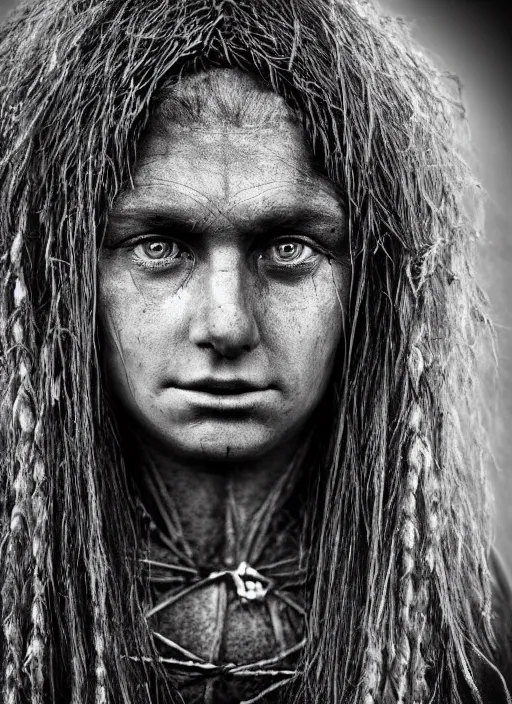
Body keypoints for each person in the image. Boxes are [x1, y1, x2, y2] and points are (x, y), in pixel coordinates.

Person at [0, 0, 510, 703]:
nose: (227, 323)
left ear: (376, 283)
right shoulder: (15, 587)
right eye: (160, 246)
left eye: (288, 248)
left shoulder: (461, 620)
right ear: (64, 277)